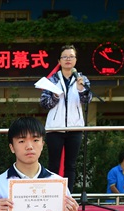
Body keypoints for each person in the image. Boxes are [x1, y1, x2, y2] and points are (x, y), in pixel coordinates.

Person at [40, 44, 93, 192]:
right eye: (65, 57)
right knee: (54, 164)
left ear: (75, 60)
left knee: (71, 165)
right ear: (59, 61)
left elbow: (87, 100)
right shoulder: (52, 80)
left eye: (71, 56)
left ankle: (68, 195)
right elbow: (44, 103)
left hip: (75, 128)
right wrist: (55, 96)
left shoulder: (82, 79)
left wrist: (81, 89)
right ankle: (53, 194)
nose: (68, 59)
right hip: (54, 128)